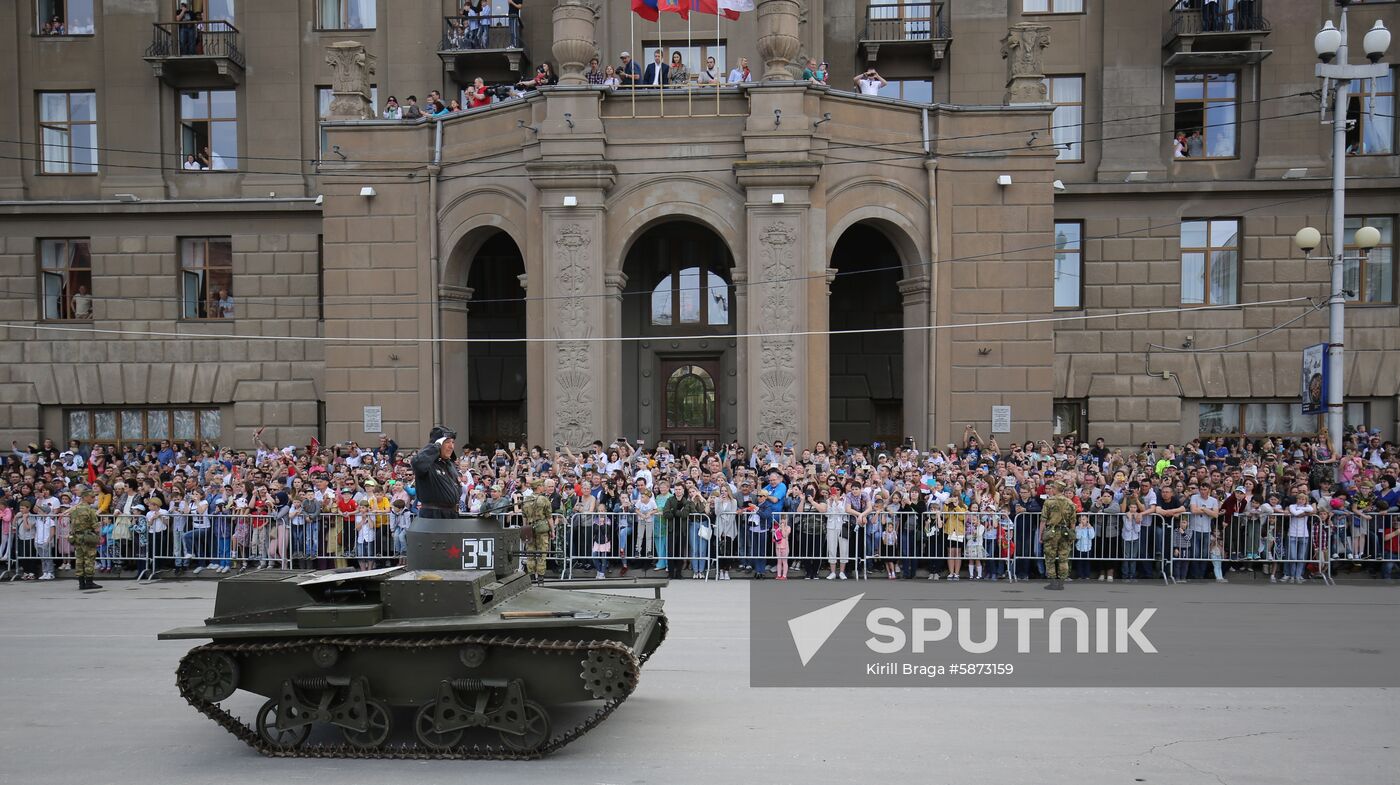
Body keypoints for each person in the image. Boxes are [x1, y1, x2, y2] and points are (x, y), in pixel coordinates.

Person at [412, 426, 461, 520]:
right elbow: (418, 463)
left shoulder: (449, 465)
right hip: (433, 517)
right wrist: (435, 446)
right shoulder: (428, 464)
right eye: (447, 442)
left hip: (451, 516)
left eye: (453, 442)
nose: (451, 446)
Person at [1040, 481, 1075, 590]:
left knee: (1050, 558)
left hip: (1051, 532)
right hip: (1064, 532)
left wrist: (1041, 535)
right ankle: (1061, 582)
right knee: (1063, 558)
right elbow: (1073, 522)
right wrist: (1072, 535)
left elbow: (1043, 520)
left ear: (1055, 489)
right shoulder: (1070, 503)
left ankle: (1052, 582)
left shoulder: (1049, 502)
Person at [71, 489, 102, 590]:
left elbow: (72, 524)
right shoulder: (90, 510)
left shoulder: (74, 509)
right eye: (92, 497)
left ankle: (81, 583)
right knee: (89, 559)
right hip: (88, 537)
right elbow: (96, 527)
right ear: (85, 497)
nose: (94, 499)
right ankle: (89, 582)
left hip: (77, 537)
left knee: (79, 559)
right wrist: (98, 536)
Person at [522, 479, 551, 584]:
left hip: (529, 527)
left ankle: (531, 576)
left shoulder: (526, 499)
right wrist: (552, 530)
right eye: (542, 485)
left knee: (530, 552)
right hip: (542, 528)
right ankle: (540, 576)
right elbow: (549, 516)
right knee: (542, 552)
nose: (543, 487)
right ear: (538, 487)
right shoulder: (544, 499)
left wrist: (525, 529)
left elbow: (524, 516)